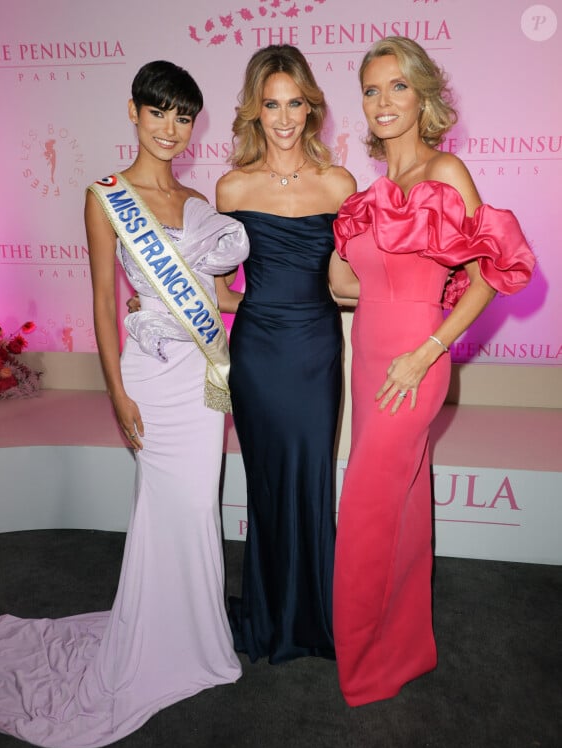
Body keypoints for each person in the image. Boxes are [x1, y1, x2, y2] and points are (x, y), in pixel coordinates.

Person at [0, 61, 249, 748]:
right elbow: (104, 301)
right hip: (149, 376)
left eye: (183, 115)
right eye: (158, 111)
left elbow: (218, 296)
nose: (170, 127)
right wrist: (116, 390)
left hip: (198, 375)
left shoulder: (197, 202)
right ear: (134, 112)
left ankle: (194, 635)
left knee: (196, 505)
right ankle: (159, 642)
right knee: (168, 504)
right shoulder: (106, 196)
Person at [329, 36, 536, 706]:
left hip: (416, 361)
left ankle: (362, 663)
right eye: (371, 89)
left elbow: (488, 275)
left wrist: (429, 346)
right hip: (367, 359)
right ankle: (405, 647)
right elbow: (345, 287)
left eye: (397, 87)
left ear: (422, 97)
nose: (383, 101)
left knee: (362, 507)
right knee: (405, 505)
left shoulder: (446, 172)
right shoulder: (370, 194)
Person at [215, 44, 357, 664]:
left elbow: (342, 282)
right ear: (253, 109)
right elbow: (220, 287)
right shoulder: (231, 186)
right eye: (270, 104)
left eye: (294, 103)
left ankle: (314, 614)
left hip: (316, 348)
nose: (283, 117)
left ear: (311, 107)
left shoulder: (340, 183)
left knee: (313, 475)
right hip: (260, 353)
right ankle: (272, 612)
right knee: (267, 481)